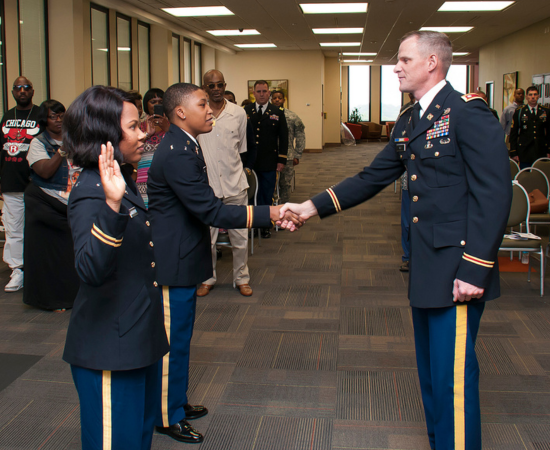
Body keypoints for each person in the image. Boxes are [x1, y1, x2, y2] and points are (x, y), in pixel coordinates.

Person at [280, 30, 511, 450]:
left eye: (405, 59)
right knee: (430, 373)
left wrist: (476, 267)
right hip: (427, 266)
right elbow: (372, 177)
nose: (396, 67)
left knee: (453, 377)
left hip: (460, 269)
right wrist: (310, 207)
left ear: (432, 64)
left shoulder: (467, 114)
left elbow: (495, 194)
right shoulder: (410, 120)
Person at [147, 83, 299, 444]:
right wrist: (271, 213)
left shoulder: (186, 143)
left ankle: (177, 403)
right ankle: (167, 416)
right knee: (173, 344)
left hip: (184, 255)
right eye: (203, 104)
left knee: (182, 339)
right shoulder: (179, 150)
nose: (211, 109)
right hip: (174, 262)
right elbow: (210, 210)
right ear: (181, 112)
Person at [62, 85, 169, 450]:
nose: (145, 133)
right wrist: (110, 205)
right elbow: (90, 270)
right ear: (106, 136)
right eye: (135, 126)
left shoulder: (120, 180)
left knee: (136, 440)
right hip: (110, 348)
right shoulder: (94, 192)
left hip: (137, 340)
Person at [197, 70, 254, 297]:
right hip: (207, 187)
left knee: (239, 237)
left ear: (225, 85)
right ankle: (207, 278)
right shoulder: (199, 113)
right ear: (204, 87)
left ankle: (242, 279)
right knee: (206, 239)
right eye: (211, 86)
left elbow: (241, 149)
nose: (216, 89)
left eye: (220, 85)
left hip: (234, 184)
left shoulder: (238, 113)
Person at [23, 100, 81, 311]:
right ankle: (49, 300)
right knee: (47, 254)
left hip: (68, 202)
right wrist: (62, 151)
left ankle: (72, 297)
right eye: (53, 116)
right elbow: (45, 172)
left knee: (69, 250)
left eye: (61, 115)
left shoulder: (76, 140)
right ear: (44, 120)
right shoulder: (38, 143)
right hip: (43, 204)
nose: (58, 120)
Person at [0, 76, 41, 292]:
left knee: (36, 227)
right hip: (10, 182)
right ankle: (17, 270)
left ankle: (36, 269)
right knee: (13, 229)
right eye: (18, 88)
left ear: (32, 91)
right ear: (13, 92)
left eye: (26, 87)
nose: (22, 91)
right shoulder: (7, 117)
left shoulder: (40, 116)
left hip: (36, 182)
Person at [244, 81, 288, 238]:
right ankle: (251, 224)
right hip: (250, 162)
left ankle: (264, 225)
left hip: (269, 161)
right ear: (254, 93)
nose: (261, 94)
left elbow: (283, 138)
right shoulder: (246, 110)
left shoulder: (277, 111)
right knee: (249, 194)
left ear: (269, 93)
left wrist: (281, 160)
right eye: (258, 91)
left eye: (264, 91)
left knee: (265, 194)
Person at [271, 90, 306, 204]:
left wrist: (297, 154)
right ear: (271, 100)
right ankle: (273, 207)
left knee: (285, 184)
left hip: (288, 156)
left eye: (279, 98)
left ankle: (284, 206)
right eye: (275, 98)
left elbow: (300, 135)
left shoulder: (292, 116)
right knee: (271, 183)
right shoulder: (268, 115)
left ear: (284, 100)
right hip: (270, 155)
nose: (277, 100)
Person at [137, 88, 170, 207]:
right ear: (146, 104)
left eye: (160, 102)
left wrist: (167, 128)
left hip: (166, 182)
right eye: (153, 102)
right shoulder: (139, 127)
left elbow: (179, 146)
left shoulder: (172, 127)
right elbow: (132, 150)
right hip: (143, 181)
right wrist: (147, 134)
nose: (157, 105)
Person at [509, 86, 550, 169]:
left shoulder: (545, 111)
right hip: (525, 151)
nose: (533, 97)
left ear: (538, 96)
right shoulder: (520, 111)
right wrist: (514, 152)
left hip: (541, 150)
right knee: (525, 176)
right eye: (530, 95)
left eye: (535, 94)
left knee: (541, 176)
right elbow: (514, 133)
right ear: (527, 97)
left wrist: (549, 150)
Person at [399, 93, 416, 273]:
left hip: (437, 183)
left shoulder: (451, 109)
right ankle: (408, 256)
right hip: (409, 176)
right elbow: (398, 144)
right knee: (407, 221)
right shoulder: (407, 112)